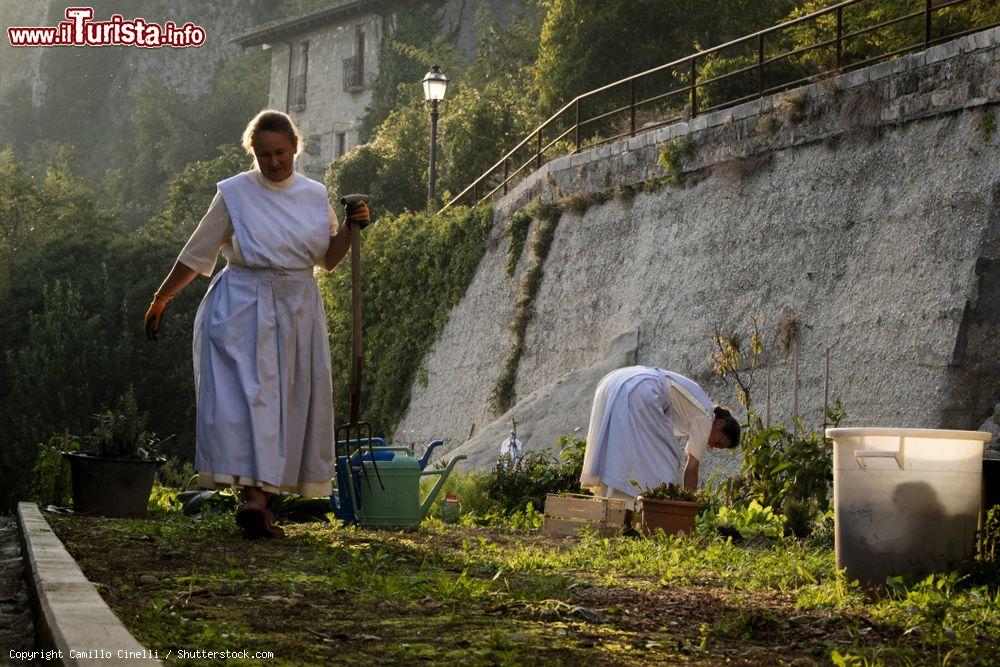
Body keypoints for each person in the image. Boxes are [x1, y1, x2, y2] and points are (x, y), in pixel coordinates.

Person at [144, 109, 369, 539]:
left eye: (280, 152)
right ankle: (254, 500)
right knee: (250, 402)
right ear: (253, 153)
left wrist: (351, 227)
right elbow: (197, 255)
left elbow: (329, 258)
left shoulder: (312, 193)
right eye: (263, 154)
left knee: (286, 402)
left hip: (297, 306)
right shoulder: (234, 194)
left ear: (296, 148)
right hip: (241, 308)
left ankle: (258, 500)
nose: (274, 162)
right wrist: (162, 298)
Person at [580, 366, 739, 508]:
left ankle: (612, 507)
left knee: (621, 450)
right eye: (718, 442)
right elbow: (691, 470)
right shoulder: (706, 417)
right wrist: (689, 508)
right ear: (720, 424)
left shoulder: (698, 404)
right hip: (639, 388)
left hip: (617, 381)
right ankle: (645, 512)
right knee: (667, 464)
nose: (711, 446)